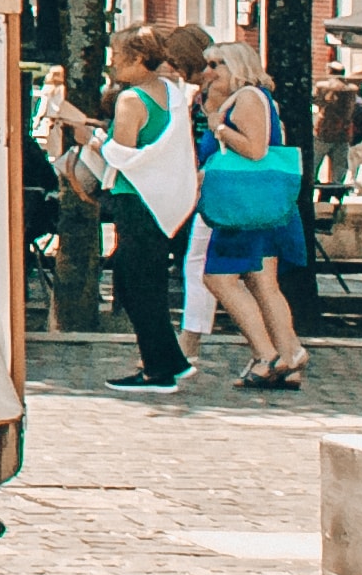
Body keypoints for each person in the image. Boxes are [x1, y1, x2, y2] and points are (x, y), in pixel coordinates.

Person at [49, 22, 198, 392]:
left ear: (137, 59)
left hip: (137, 199)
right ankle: (167, 362)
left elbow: (123, 154)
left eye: (117, 57)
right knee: (147, 283)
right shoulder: (169, 92)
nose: (112, 63)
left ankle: (157, 369)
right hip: (160, 202)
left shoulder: (130, 99)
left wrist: (91, 138)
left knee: (136, 287)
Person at [197, 37, 309, 390]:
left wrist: (218, 125)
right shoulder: (252, 99)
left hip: (243, 206)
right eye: (207, 64)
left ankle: (267, 354)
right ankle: (289, 353)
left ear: (239, 67)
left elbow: (256, 150)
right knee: (263, 282)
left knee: (218, 278)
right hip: (260, 205)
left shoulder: (246, 98)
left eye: (218, 64)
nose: (208, 71)